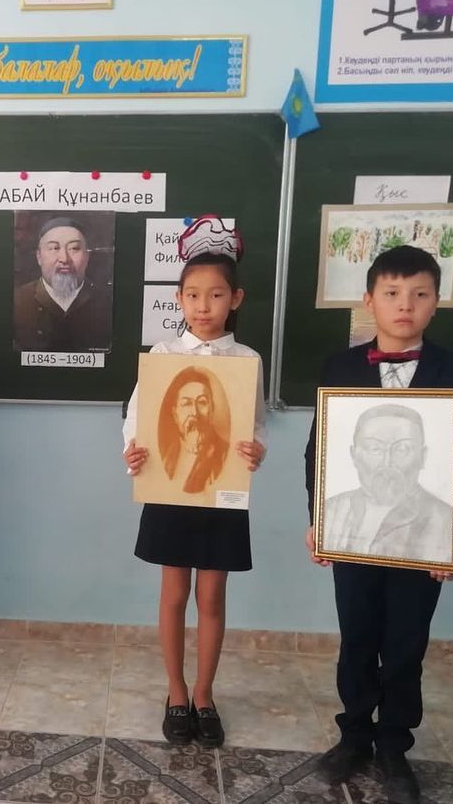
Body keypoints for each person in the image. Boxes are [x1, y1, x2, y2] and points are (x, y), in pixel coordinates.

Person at [304, 245, 453, 803]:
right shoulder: (339, 368)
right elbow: (319, 453)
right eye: (391, 293)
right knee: (357, 637)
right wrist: (318, 520)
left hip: (423, 538)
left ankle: (393, 746)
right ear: (370, 300)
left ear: (436, 302)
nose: (404, 305)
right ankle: (353, 736)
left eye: (419, 294)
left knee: (406, 643)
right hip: (351, 533)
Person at [122, 215, 266, 749]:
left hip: (221, 495)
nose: (204, 306)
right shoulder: (162, 356)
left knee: (212, 595)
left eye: (216, 295)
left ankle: (205, 694)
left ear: (236, 299)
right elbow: (137, 419)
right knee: (174, 592)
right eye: (193, 295)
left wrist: (256, 450)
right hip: (169, 491)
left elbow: (254, 427)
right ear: (179, 299)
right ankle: (176, 692)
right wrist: (134, 451)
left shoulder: (247, 361)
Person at [323, 404, 453, 564]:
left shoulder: (445, 520)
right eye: (375, 449)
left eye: (402, 449)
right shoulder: (331, 511)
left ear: (422, 456)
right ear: (354, 455)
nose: (387, 462)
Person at [12, 216, 112, 352]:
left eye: (74, 248)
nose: (64, 259)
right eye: (54, 248)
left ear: (87, 257)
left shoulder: (107, 302)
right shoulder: (17, 301)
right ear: (39, 257)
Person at [158, 366, 230, 494]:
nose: (194, 413)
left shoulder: (225, 455)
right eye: (186, 403)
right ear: (175, 414)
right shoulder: (165, 456)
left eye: (202, 402)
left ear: (212, 409)